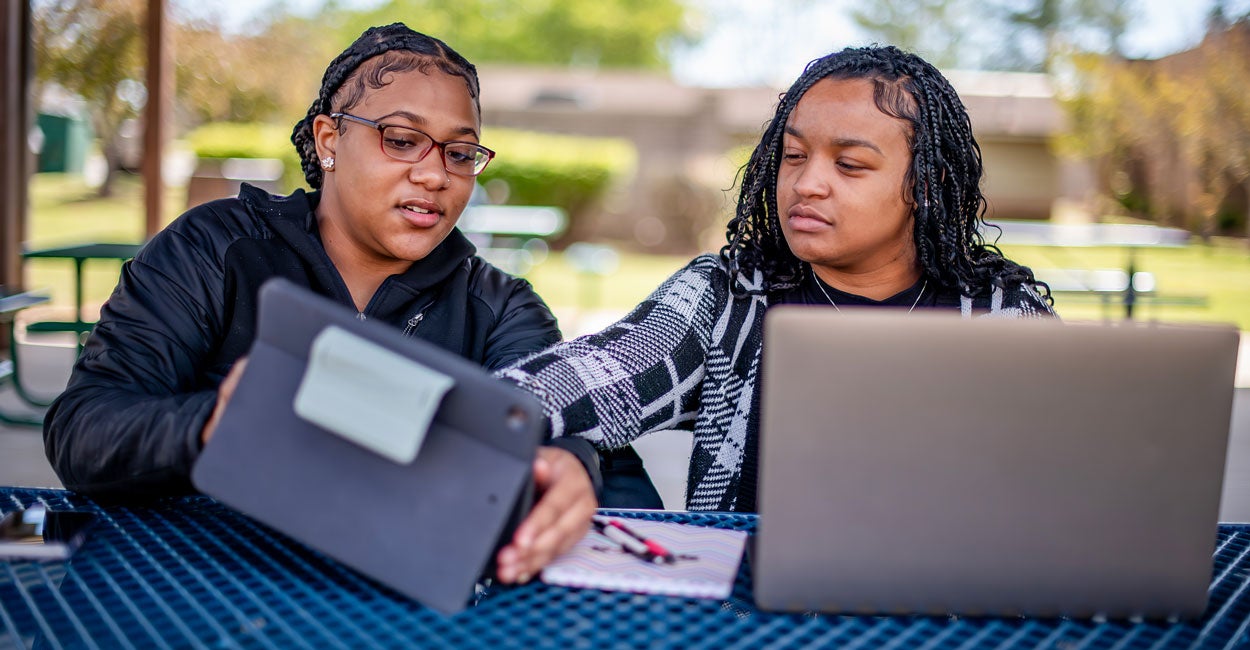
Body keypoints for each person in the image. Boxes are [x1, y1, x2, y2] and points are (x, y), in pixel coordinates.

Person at [43, 23, 595, 583]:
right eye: (402, 140)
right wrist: (212, 422)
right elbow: (83, 430)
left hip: (398, 616)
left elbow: (569, 441)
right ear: (329, 140)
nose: (435, 174)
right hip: (190, 591)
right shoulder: (215, 249)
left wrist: (576, 467)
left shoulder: (500, 308)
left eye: (459, 152)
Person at [498, 45, 1056, 513]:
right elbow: (594, 376)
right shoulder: (730, 297)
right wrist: (475, 412)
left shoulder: (1004, 314)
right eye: (793, 155)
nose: (806, 182)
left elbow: (1074, 483)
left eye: (850, 165)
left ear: (925, 184)